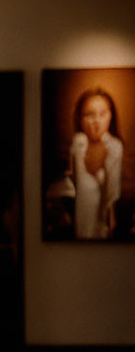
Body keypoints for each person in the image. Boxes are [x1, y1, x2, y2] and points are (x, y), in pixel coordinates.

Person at [69, 87, 123, 240]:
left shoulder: (115, 147)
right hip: (79, 230)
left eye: (103, 114)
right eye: (90, 115)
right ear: (80, 118)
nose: (97, 122)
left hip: (105, 231)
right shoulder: (78, 145)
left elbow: (114, 195)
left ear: (111, 116)